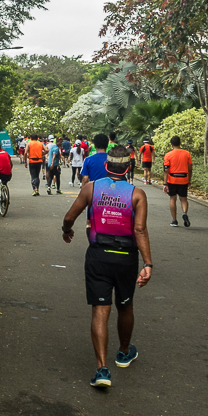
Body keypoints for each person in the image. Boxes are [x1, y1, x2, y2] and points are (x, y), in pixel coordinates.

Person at [61, 145, 152, 388]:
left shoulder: (91, 189)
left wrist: (66, 231)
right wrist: (148, 263)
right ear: (128, 168)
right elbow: (140, 229)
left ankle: (102, 369)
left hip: (98, 256)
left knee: (100, 310)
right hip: (126, 258)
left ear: (106, 166)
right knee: (125, 305)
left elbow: (70, 217)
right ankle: (123, 353)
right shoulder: (137, 194)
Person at [163, 136, 193, 228]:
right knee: (183, 199)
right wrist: (189, 180)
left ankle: (174, 220)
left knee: (173, 199)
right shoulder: (187, 153)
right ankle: (184, 213)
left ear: (171, 144)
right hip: (183, 179)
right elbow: (190, 168)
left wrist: (165, 183)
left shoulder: (168, 155)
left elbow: (166, 170)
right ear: (180, 143)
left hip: (172, 179)